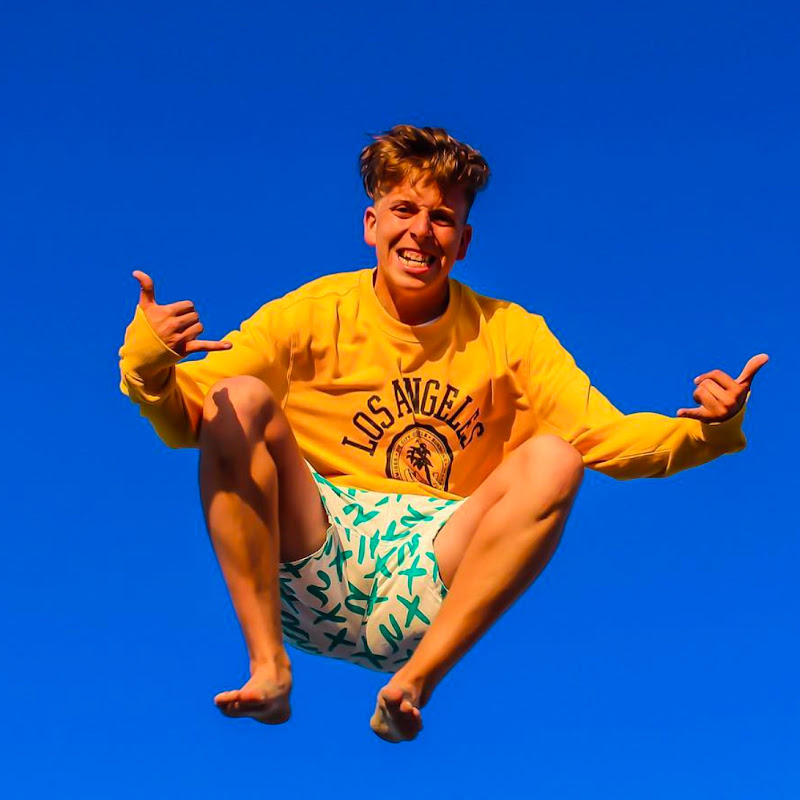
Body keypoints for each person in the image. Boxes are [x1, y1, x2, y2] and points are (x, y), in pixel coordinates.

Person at [118, 124, 768, 743]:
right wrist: (150, 361)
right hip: (314, 543)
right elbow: (196, 417)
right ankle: (268, 668)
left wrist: (707, 432)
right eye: (404, 210)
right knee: (238, 396)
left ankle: (414, 685)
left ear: (464, 241)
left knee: (556, 458)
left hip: (434, 565)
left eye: (442, 218)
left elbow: (606, 437)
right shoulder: (313, 314)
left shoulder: (510, 333)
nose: (421, 232)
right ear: (371, 224)